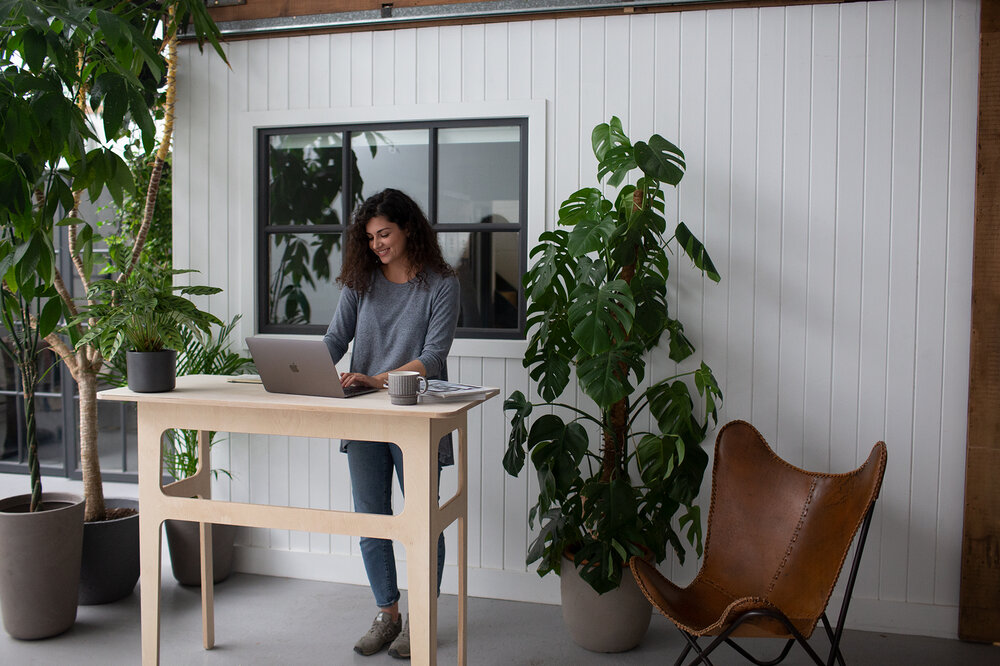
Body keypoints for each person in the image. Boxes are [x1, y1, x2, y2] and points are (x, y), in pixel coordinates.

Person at [322, 188, 460, 659]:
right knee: (371, 520)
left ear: (408, 230)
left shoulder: (441, 283)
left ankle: (421, 617)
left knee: (423, 522)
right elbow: (336, 339)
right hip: (364, 416)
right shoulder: (361, 282)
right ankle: (389, 613)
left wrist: (376, 378)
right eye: (370, 237)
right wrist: (301, 370)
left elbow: (433, 358)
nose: (377, 244)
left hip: (416, 418)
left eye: (385, 234)